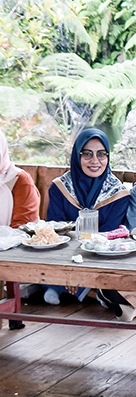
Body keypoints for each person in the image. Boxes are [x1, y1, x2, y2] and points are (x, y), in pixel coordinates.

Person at [46, 127, 136, 315]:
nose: (95, 161)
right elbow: (55, 230)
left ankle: (77, 289)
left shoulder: (118, 193)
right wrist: (70, 271)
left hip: (99, 257)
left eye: (101, 154)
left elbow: (108, 236)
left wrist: (79, 274)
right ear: (76, 156)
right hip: (63, 257)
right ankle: (97, 293)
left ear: (108, 157)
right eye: (87, 154)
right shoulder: (59, 187)